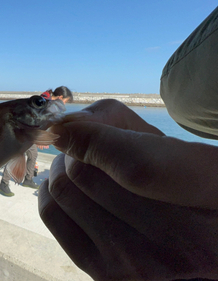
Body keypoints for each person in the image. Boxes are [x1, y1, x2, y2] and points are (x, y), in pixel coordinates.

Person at [38, 7, 218, 280]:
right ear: (59, 98)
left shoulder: (183, 87)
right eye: (65, 102)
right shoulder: (45, 104)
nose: (65, 106)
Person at [0, 87, 73, 197]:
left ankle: (28, 179)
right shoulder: (42, 101)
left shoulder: (48, 102)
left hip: (28, 134)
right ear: (60, 97)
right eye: (65, 101)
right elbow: (31, 121)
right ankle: (3, 184)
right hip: (20, 133)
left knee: (33, 155)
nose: (64, 104)